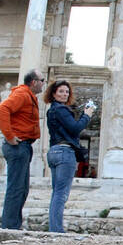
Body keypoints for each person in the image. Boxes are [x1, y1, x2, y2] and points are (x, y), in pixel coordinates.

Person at [44, 79, 96, 233]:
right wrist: (86, 115)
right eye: (61, 91)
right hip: (65, 152)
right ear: (53, 93)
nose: (64, 94)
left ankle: (54, 228)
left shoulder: (51, 110)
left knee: (56, 192)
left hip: (53, 151)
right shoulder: (61, 109)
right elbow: (75, 129)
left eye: (66, 91)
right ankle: (57, 230)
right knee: (61, 193)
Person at [0, 71, 44, 229]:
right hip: (17, 146)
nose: (44, 83)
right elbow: (1, 109)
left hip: (24, 146)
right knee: (16, 188)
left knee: (21, 189)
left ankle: (13, 225)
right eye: (42, 80)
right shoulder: (22, 94)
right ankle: (9, 227)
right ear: (34, 82)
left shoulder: (28, 95)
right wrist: (9, 136)